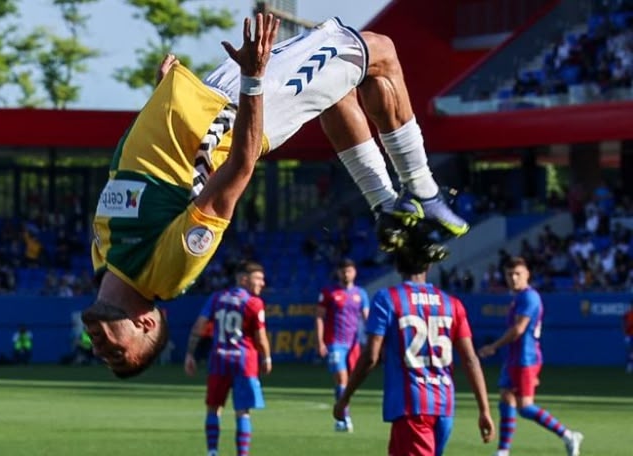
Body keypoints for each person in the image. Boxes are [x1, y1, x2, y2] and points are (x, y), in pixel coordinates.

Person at [83, 12, 468, 377]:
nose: (101, 350)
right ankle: (424, 192)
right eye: (115, 353)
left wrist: (163, 100)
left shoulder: (104, 256)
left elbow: (151, 174)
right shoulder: (166, 274)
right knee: (379, 50)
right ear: (145, 322)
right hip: (235, 110)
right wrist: (254, 79)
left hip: (209, 101)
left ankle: (385, 205)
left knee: (334, 89)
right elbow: (238, 169)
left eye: (107, 357)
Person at [334, 242, 493, 456]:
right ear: (428, 266)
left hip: (413, 408)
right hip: (444, 406)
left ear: (398, 266)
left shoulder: (386, 299)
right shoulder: (452, 304)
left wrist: (345, 398)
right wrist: (484, 410)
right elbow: (471, 359)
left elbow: (371, 357)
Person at [478, 257, 584, 456]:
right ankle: (503, 451)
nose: (514, 278)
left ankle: (568, 435)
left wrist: (493, 346)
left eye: (518, 273)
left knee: (525, 407)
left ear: (527, 274)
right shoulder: (518, 298)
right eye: (510, 274)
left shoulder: (529, 297)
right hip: (514, 357)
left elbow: (518, 329)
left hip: (526, 359)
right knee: (506, 398)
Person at [184, 261, 272, 456]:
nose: (262, 283)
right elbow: (260, 336)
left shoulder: (217, 298)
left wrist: (190, 353)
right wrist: (266, 358)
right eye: (258, 278)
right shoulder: (254, 303)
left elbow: (199, 326)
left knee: (214, 408)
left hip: (219, 360)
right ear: (243, 279)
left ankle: (213, 452)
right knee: (243, 411)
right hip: (244, 361)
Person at [315, 258, 369, 432]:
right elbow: (319, 317)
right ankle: (344, 419)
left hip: (354, 345)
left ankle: (342, 414)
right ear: (338, 273)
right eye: (343, 271)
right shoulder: (329, 292)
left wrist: (373, 340)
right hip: (335, 342)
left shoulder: (361, 294)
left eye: (349, 271)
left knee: (349, 382)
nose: (346, 274)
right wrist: (320, 341)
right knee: (341, 378)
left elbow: (367, 318)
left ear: (355, 273)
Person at [624, 305, 633, 374]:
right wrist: (625, 330)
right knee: (629, 351)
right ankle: (629, 366)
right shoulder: (627, 314)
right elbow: (623, 321)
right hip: (629, 335)